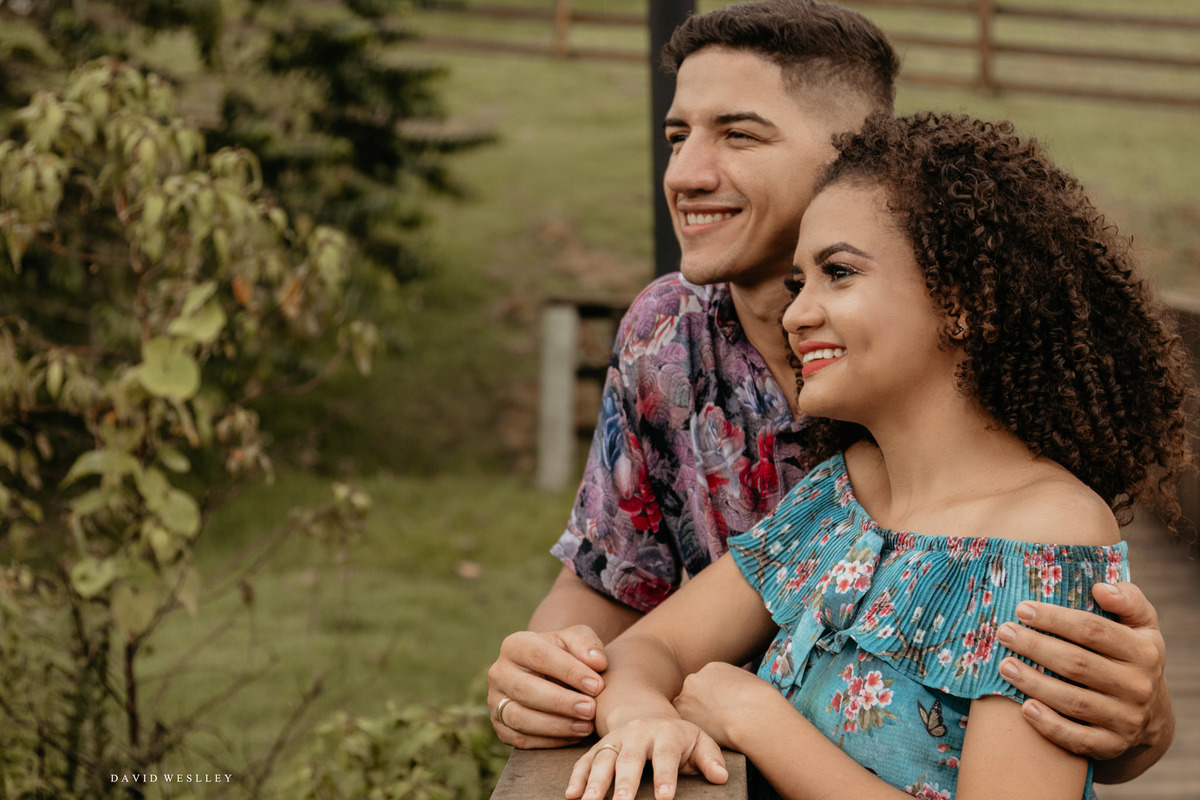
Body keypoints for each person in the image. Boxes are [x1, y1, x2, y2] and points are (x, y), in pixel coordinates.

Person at [487, 0, 1176, 782]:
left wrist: (1146, 727)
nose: (684, 172)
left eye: (738, 132)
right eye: (676, 137)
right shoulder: (820, 473)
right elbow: (617, 606)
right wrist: (568, 687)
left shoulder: (1028, 515)